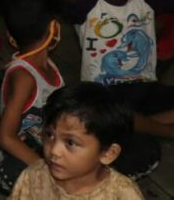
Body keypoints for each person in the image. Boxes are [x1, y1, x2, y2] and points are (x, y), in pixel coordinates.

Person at [52, 0, 174, 142]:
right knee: (115, 116)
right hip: (105, 93)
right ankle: (147, 127)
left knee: (116, 119)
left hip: (137, 89)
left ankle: (136, 126)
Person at [9, 83, 144, 199]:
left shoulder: (121, 195)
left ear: (108, 153)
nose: (54, 151)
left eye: (71, 143)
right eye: (50, 135)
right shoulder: (34, 176)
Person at [0, 0, 65, 195]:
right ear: (54, 29)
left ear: (10, 37)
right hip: (23, 158)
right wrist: (48, 169)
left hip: (50, 150)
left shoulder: (51, 68)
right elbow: (5, 137)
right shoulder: (24, 77)